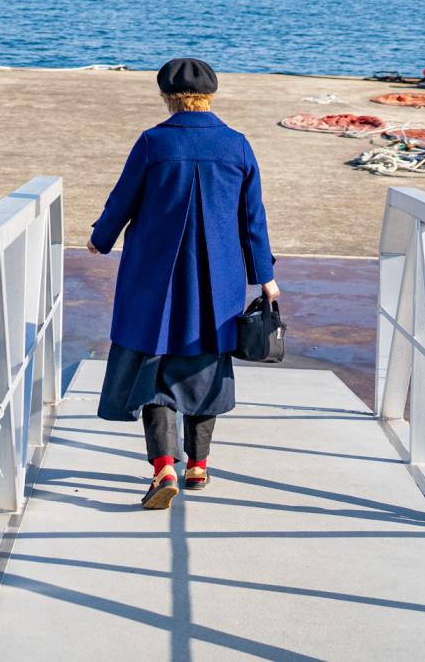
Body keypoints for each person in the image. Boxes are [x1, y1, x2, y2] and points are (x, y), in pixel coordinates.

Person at [88, 57, 279, 510]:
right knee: (204, 365)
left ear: (166, 95)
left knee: (154, 367)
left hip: (155, 279)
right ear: (211, 94)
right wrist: (265, 277)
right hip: (220, 283)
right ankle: (198, 465)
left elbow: (123, 198)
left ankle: (163, 468)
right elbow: (252, 217)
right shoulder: (237, 145)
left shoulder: (154, 142)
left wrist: (102, 238)